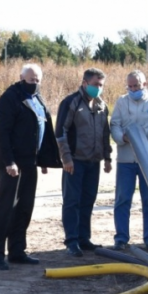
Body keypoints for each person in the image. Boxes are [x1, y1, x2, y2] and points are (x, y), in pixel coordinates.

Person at [0, 64, 62, 270]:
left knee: (24, 209)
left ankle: (17, 251)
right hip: (12, 164)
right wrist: (9, 162)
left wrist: (44, 160)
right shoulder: (10, 98)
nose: (34, 83)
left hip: (30, 163)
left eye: (37, 80)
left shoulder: (38, 99)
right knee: (6, 209)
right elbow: (2, 134)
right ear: (21, 78)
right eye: (31, 80)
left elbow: (43, 130)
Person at [110, 70, 148, 251]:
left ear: (144, 84)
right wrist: (123, 137)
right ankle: (121, 238)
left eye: (136, 86)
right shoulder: (121, 102)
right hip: (126, 160)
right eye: (130, 86)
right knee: (122, 199)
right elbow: (114, 125)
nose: (133, 89)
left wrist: (144, 135)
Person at [55, 68, 113, 257]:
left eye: (101, 85)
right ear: (85, 83)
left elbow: (105, 133)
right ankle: (71, 241)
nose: (98, 88)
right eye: (96, 84)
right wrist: (66, 158)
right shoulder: (71, 102)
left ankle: (83, 238)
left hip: (93, 162)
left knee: (88, 200)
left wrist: (107, 158)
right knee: (72, 201)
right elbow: (61, 132)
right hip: (75, 161)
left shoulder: (102, 105)